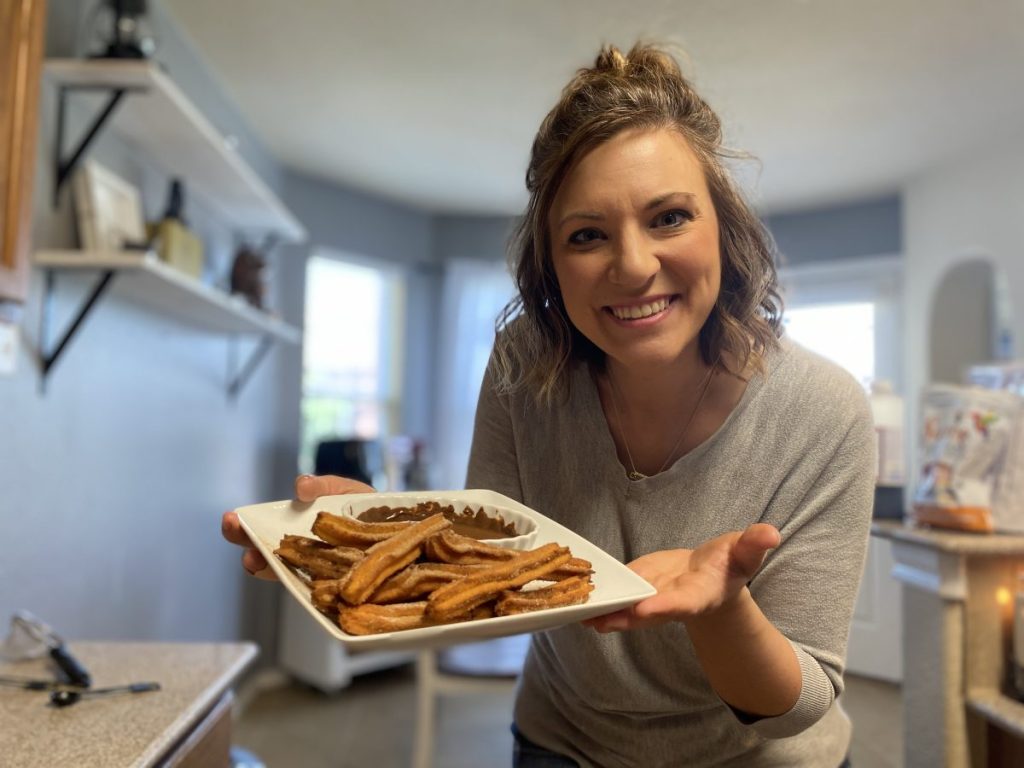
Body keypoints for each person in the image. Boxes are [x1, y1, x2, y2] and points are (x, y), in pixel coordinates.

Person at [222, 42, 874, 768]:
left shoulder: (825, 410)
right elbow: (494, 563)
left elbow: (799, 705)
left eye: (669, 217)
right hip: (566, 742)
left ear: (725, 227)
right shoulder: (523, 365)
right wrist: (380, 538)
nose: (632, 267)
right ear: (550, 263)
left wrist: (721, 612)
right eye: (587, 235)